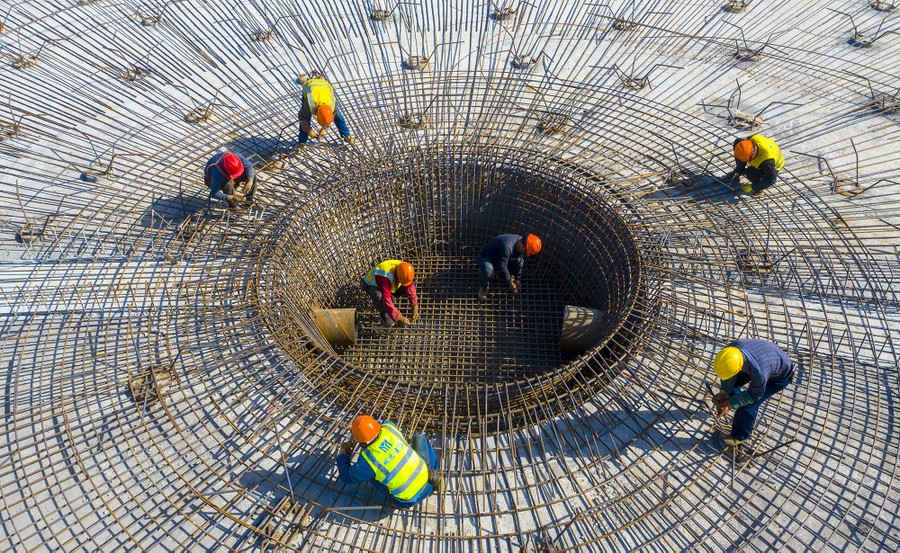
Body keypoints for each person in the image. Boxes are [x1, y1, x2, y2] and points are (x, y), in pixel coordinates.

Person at [336, 415, 443, 509]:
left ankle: (397, 495)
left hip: (407, 501)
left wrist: (343, 455)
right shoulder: (389, 427)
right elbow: (382, 421)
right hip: (428, 482)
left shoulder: (368, 461)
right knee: (420, 438)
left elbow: (346, 477)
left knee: (372, 476)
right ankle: (435, 475)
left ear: (361, 441)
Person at [711, 339, 795, 446]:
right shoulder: (730, 352)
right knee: (733, 387)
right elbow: (728, 374)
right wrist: (724, 392)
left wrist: (730, 404)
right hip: (765, 358)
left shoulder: (759, 373)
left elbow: (753, 396)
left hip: (780, 376)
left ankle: (739, 436)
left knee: (748, 405)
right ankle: (736, 402)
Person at [476, 233, 542, 300]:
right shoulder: (507, 247)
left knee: (520, 261)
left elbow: (519, 262)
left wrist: (518, 279)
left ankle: (501, 275)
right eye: (525, 252)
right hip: (487, 258)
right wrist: (510, 283)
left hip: (500, 258)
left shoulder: (520, 241)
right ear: (523, 247)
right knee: (488, 271)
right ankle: (484, 287)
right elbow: (503, 267)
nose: (524, 253)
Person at [297, 75, 354, 146]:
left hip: (324, 85)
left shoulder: (333, 106)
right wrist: (309, 131)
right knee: (306, 117)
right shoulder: (309, 105)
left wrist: (324, 129)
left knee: (338, 116)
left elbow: (330, 117)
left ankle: (346, 135)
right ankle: (302, 142)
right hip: (310, 86)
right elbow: (302, 119)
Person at [363, 260, 419, 327]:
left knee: (406, 288)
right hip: (371, 285)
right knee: (379, 297)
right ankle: (384, 313)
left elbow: (410, 289)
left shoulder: (404, 270)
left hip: (387, 283)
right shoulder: (386, 277)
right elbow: (386, 300)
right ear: (397, 276)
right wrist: (398, 317)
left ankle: (392, 303)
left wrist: (414, 306)